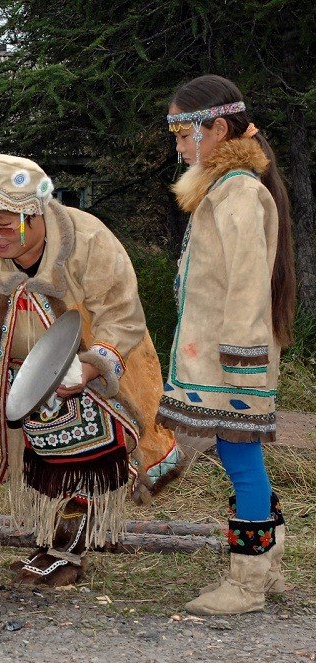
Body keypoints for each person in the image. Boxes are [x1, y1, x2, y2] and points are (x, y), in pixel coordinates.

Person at [0, 154, 182, 585]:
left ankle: (68, 549)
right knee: (39, 458)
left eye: (6, 226)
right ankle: (53, 539)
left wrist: (90, 368)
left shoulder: (87, 238)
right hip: (20, 370)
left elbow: (120, 315)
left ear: (36, 214)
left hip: (92, 360)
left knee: (85, 455)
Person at [158, 75, 295, 615]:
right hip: (213, 354)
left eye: (183, 132)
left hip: (231, 358)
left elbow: (247, 282)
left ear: (217, 128)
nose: (179, 145)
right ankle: (272, 562)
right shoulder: (224, 188)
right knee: (241, 455)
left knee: (240, 458)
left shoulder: (239, 191)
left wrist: (243, 357)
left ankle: (247, 583)